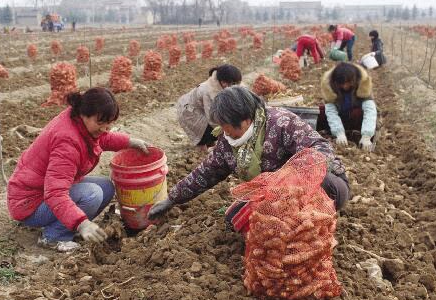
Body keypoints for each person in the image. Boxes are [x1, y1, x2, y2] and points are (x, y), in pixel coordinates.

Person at [149, 86, 349, 222]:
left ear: (245, 120)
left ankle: (312, 224)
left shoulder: (281, 123)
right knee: (234, 218)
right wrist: (172, 199)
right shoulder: (227, 144)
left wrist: (287, 179)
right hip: (269, 198)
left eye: (228, 128)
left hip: (305, 189)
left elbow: (319, 148)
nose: (225, 134)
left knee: (328, 185)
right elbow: (205, 173)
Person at [7, 87, 150, 251]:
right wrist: (82, 223)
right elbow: (55, 193)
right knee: (92, 195)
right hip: (29, 204)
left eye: (109, 123)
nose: (105, 128)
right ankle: (53, 237)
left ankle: (65, 225)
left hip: (41, 191)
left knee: (107, 187)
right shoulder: (67, 142)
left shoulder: (78, 121)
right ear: (84, 114)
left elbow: (101, 139)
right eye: (100, 123)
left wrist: (129, 142)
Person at [176, 64, 242, 149]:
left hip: (199, 109)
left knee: (218, 130)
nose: (232, 86)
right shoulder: (209, 91)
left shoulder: (224, 86)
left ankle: (210, 144)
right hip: (190, 112)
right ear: (222, 81)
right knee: (208, 131)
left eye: (235, 83)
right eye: (230, 83)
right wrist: (228, 131)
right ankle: (201, 149)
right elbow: (212, 117)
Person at [316, 62, 377, 152]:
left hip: (354, 118)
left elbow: (370, 110)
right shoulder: (330, 87)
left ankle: (358, 136)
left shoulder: (362, 86)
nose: (345, 86)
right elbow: (331, 112)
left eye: (348, 83)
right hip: (339, 116)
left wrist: (367, 135)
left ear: (354, 80)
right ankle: (329, 135)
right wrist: (339, 132)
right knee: (320, 110)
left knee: (358, 113)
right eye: (342, 83)